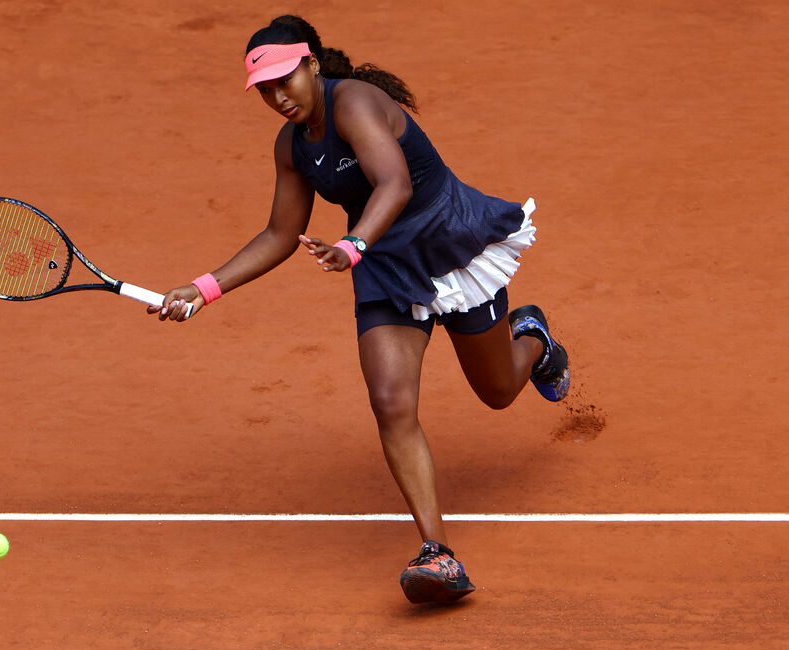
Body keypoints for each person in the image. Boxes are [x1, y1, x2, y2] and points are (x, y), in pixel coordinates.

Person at [149, 15, 569, 605]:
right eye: (265, 89)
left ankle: (535, 340)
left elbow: (394, 183)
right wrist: (204, 288)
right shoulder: (292, 146)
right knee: (390, 401)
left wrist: (352, 244)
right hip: (385, 266)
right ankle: (438, 553)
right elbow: (280, 233)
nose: (278, 97)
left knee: (498, 391)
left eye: (285, 80)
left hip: (447, 241)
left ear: (311, 64)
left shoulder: (355, 103)